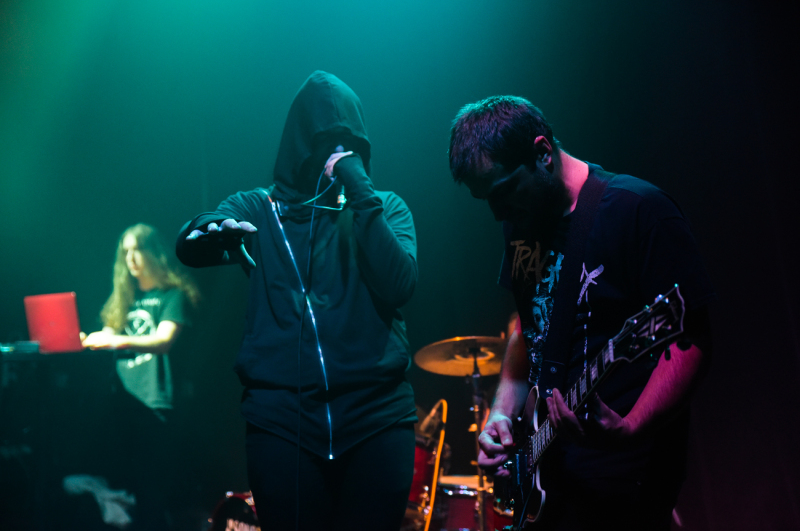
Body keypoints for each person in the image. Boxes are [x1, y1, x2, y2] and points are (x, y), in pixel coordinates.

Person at [448, 96, 714, 530]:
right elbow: (527, 328)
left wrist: (630, 427)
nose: (497, 213)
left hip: (625, 473)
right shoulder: (521, 222)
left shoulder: (638, 209)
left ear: (542, 153)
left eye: (504, 192)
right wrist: (501, 413)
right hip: (551, 474)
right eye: (487, 200)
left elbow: (692, 341)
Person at [176, 70, 418, 531]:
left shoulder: (385, 207)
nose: (338, 152)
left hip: (376, 421)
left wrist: (359, 188)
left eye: (349, 143)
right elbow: (193, 242)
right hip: (282, 424)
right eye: (326, 141)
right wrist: (211, 229)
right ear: (301, 144)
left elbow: (399, 284)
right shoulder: (259, 208)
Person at [81, 222, 199, 529]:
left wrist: (115, 340)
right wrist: (86, 339)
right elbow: (108, 334)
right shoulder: (125, 298)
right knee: (126, 487)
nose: (131, 258)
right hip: (124, 402)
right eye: (126, 252)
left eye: (137, 249)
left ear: (155, 252)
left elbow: (163, 340)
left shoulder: (172, 295)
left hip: (156, 402)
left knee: (152, 490)